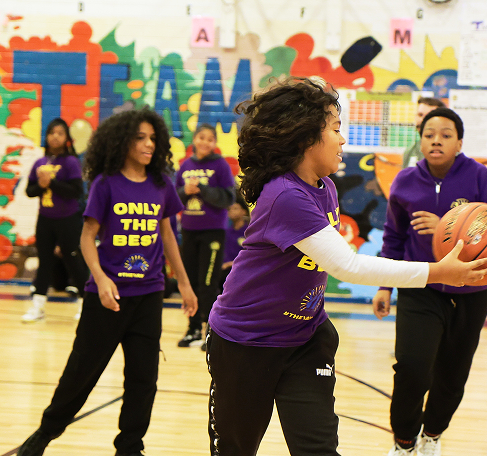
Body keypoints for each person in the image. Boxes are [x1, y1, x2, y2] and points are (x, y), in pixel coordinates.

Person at [205, 77, 487, 456]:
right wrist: (438, 271)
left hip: (305, 338)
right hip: (246, 342)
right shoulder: (285, 196)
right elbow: (348, 266)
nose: (343, 140)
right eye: (336, 129)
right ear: (306, 138)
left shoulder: (325, 187)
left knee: (319, 449)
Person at [16, 108, 198, 456]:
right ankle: (45, 433)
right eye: (140, 138)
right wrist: (99, 279)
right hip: (107, 297)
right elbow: (87, 238)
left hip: (149, 294)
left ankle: (129, 447)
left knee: (144, 379)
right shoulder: (105, 183)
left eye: (152, 138)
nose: (148, 144)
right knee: (81, 373)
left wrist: (186, 286)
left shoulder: (160, 183)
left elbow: (169, 237)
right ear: (122, 141)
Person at [372, 107, 487, 456]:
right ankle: (404, 442)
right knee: (412, 368)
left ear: (459, 143)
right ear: (420, 141)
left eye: (446, 134)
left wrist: (445, 226)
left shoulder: (480, 177)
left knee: (452, 377)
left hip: (471, 290)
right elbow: (393, 237)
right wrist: (383, 285)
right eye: (429, 133)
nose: (436, 139)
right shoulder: (405, 181)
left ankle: (432, 434)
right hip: (420, 285)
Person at [175, 123, 235, 348]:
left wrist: (201, 189)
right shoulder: (185, 165)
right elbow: (174, 197)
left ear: (215, 143)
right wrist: (184, 191)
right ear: (194, 140)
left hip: (213, 233)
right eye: (201, 137)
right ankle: (192, 329)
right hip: (189, 232)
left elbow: (228, 198)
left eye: (210, 139)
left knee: (207, 284)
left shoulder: (220, 166)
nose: (205, 142)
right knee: (189, 283)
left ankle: (211, 332)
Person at [23, 118, 89, 322]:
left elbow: (76, 191)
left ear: (67, 138)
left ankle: (85, 303)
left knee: (73, 260)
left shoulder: (71, 162)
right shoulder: (40, 162)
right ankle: (38, 306)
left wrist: (51, 182)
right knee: (45, 262)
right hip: (45, 219)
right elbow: (29, 191)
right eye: (52, 132)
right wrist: (42, 185)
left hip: (67, 220)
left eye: (60, 133)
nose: (55, 136)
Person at [402, 97, 446, 168]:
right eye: (420, 115)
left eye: (429, 116)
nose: (423, 120)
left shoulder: (450, 154)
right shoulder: (410, 152)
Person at [219, 191, 249, 292]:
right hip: (224, 270)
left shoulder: (249, 232)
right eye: (229, 209)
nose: (231, 211)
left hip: (242, 269)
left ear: (244, 211)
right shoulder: (226, 232)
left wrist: (231, 264)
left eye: (235, 208)